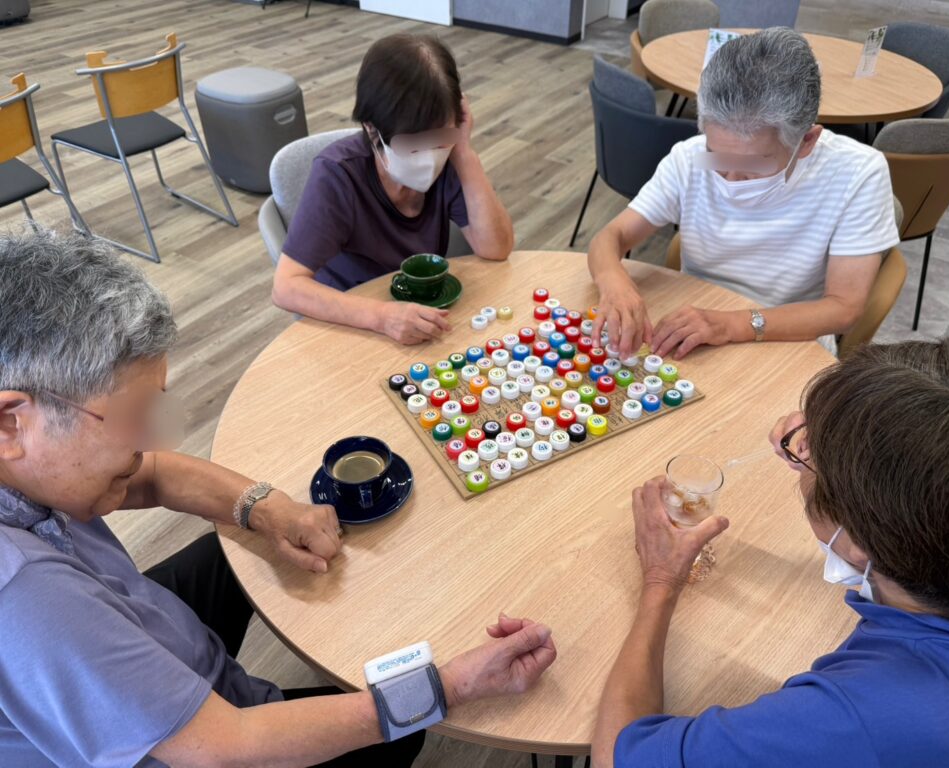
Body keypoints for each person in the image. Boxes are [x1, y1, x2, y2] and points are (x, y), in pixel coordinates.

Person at [0, 229, 555, 768]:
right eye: (132, 415)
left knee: (228, 549)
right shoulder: (27, 592)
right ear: (11, 423)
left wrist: (266, 508)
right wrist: (450, 687)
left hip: (131, 619)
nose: (151, 440)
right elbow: (225, 749)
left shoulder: (33, 466)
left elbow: (151, 475)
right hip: (207, 743)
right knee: (400, 735)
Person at [592, 336, 949, 767]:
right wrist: (849, 430)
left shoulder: (857, 716)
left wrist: (661, 580)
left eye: (814, 457)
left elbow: (615, 758)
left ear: (858, 544)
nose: (803, 447)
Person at [587, 28, 900, 359]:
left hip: (789, 338)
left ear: (806, 142)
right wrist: (614, 283)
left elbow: (843, 308)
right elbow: (610, 237)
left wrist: (730, 325)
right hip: (696, 325)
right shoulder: (691, 158)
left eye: (753, 166)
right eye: (717, 157)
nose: (732, 180)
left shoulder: (857, 173)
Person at [272, 33, 514, 346]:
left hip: (420, 317)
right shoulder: (339, 175)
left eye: (440, 136)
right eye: (412, 142)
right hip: (350, 322)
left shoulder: (451, 158)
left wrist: (464, 152)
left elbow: (496, 248)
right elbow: (286, 286)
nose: (429, 155)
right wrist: (382, 317)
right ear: (371, 129)